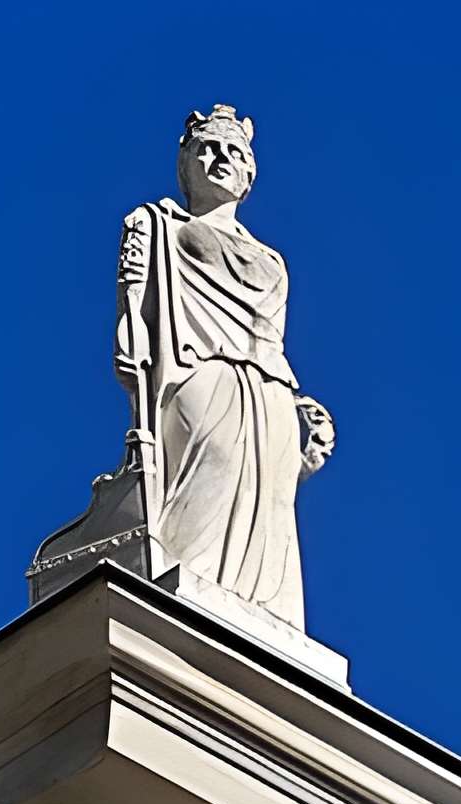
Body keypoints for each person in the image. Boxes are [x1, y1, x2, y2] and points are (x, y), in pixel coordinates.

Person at [130, 107, 334, 622]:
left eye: (234, 152)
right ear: (187, 164)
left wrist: (300, 409)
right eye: (208, 148)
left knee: (272, 512)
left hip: (270, 391)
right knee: (206, 481)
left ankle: (268, 624)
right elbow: (138, 313)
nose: (220, 158)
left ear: (249, 176)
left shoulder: (274, 261)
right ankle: (176, 615)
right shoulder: (161, 225)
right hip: (203, 373)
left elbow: (274, 341)